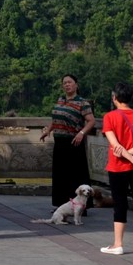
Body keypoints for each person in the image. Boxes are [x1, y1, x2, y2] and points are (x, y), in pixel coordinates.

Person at [99, 81, 133, 255]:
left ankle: (118, 244)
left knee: (120, 204)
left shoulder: (109, 117)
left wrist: (128, 157)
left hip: (118, 167)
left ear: (114, 97)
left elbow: (115, 146)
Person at [38, 74, 96, 212]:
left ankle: (80, 207)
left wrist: (81, 133)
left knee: (75, 175)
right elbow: (56, 118)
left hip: (74, 142)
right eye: (64, 83)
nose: (67, 85)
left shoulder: (82, 103)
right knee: (60, 175)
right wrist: (48, 130)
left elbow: (91, 121)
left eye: (70, 82)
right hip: (60, 142)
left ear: (76, 84)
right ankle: (61, 206)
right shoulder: (61, 100)